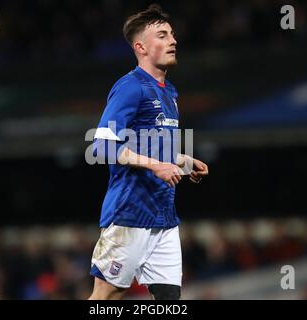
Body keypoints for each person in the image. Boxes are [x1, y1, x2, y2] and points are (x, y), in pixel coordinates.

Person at [88, 4, 209, 300]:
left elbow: (154, 144)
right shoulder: (130, 87)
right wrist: (156, 166)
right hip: (130, 214)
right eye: (163, 35)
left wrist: (183, 160)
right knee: (106, 296)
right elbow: (101, 145)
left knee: (169, 300)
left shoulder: (169, 92)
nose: (173, 40)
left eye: (173, 34)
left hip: (164, 217)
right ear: (141, 47)